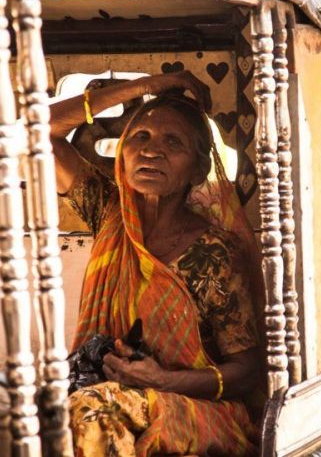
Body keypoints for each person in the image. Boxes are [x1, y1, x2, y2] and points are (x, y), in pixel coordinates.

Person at [50, 71, 261, 456]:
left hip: (200, 411)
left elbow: (247, 371)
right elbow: (34, 133)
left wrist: (163, 380)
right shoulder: (111, 214)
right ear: (123, 154)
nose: (151, 151)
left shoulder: (212, 253)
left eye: (173, 142)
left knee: (95, 410)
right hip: (111, 396)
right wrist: (146, 88)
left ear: (198, 171)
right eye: (140, 137)